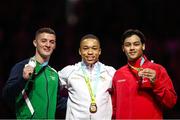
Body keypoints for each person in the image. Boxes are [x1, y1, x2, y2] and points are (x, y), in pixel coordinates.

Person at [111, 29, 177, 119]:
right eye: (127, 45)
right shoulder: (118, 74)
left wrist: (156, 83)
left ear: (143, 46)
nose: (132, 48)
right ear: (123, 48)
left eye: (136, 44)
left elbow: (171, 102)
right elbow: (114, 109)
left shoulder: (157, 69)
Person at [2, 27, 66, 119]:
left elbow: (56, 102)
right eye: (44, 41)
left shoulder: (54, 74)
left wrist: (83, 103)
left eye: (52, 42)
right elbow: (6, 95)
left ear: (55, 45)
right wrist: (23, 80)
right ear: (35, 43)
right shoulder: (22, 67)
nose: (48, 45)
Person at [58, 34, 116, 120]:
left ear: (99, 51)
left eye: (94, 48)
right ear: (80, 51)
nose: (90, 52)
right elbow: (49, 87)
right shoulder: (69, 71)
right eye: (85, 48)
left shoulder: (110, 72)